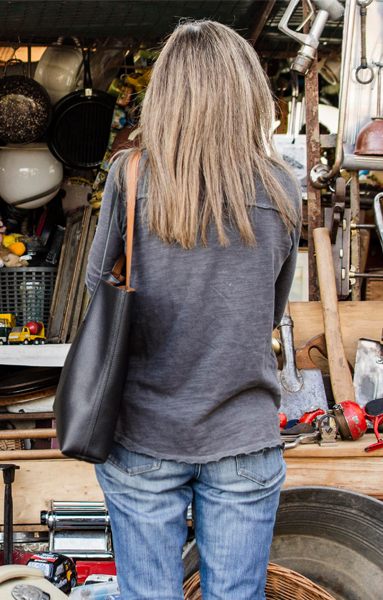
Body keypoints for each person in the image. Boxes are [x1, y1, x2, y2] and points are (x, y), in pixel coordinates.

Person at [85, 20, 301, 600]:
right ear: (246, 92)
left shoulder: (129, 177)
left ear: (167, 93)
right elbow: (270, 309)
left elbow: (97, 293)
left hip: (143, 434)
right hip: (242, 433)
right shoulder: (283, 188)